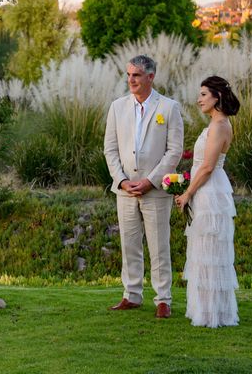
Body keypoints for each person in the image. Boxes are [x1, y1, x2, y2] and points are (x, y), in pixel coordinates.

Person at [104, 55, 184, 318]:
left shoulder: (169, 107)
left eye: (136, 75)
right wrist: (123, 181)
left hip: (155, 190)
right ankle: (132, 295)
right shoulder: (117, 107)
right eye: (128, 75)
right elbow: (110, 149)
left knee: (159, 245)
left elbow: (174, 151)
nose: (131, 80)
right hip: (125, 191)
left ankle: (163, 299)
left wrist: (150, 181)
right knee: (129, 244)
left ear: (151, 77)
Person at [175, 76, 240, 328]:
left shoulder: (220, 125)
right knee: (203, 251)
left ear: (217, 97)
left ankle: (213, 314)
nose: (198, 99)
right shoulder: (216, 123)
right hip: (206, 188)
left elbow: (208, 166)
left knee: (210, 251)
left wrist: (187, 193)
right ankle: (206, 310)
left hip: (209, 191)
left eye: (203, 94)